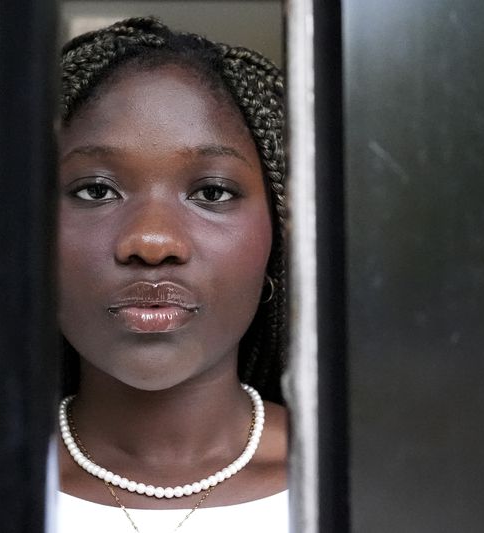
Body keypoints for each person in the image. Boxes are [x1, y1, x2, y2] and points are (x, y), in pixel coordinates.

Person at [56, 17, 288, 532]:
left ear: (275, 237)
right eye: (95, 190)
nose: (152, 242)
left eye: (212, 193)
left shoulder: (364, 478)